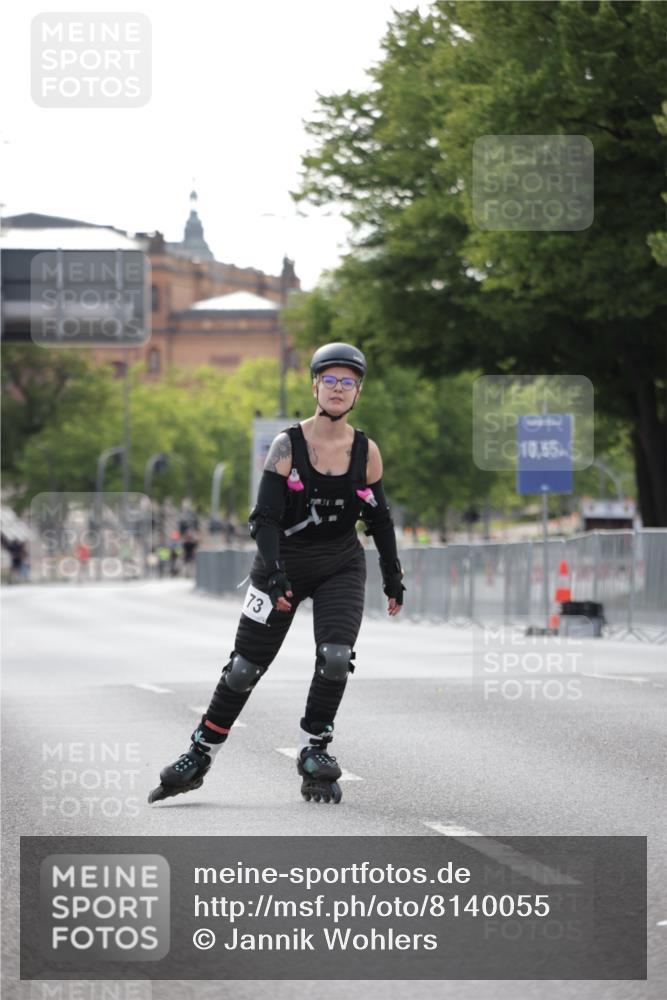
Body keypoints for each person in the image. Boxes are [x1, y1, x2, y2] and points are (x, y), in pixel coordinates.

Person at [148, 343, 405, 806]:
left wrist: (392, 575)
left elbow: (379, 520)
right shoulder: (288, 445)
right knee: (245, 668)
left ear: (358, 391)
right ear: (315, 386)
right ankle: (199, 753)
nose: (339, 389)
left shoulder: (367, 451)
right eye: (330, 380)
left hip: (340, 564)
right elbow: (263, 519)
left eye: (348, 382)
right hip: (281, 562)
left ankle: (315, 750)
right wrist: (276, 573)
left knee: (334, 654)